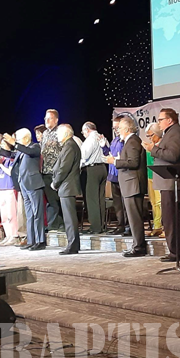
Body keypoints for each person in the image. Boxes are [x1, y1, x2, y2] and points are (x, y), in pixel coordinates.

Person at [142, 108, 180, 262]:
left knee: (172, 219)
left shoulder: (175, 133)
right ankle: (176, 251)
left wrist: (153, 149)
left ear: (169, 120)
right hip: (169, 182)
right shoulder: (171, 133)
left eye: (160, 119)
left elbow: (172, 155)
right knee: (171, 219)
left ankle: (176, 252)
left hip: (172, 183)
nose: (159, 123)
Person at [106, 117, 148, 257]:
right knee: (133, 218)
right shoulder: (129, 142)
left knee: (135, 218)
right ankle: (137, 245)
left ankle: (139, 247)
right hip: (130, 184)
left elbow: (133, 162)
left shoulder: (133, 141)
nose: (118, 131)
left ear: (127, 129)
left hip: (133, 185)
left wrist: (115, 161)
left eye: (120, 128)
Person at [3, 129, 46, 250]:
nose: (16, 141)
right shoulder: (21, 150)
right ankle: (31, 240)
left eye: (18, 139)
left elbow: (30, 152)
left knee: (37, 213)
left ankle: (40, 241)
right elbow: (10, 155)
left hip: (33, 183)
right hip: (24, 185)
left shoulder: (34, 146)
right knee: (29, 214)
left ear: (26, 138)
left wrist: (14, 143)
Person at [52, 124, 82, 255]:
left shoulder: (70, 146)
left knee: (70, 218)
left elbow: (64, 168)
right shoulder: (68, 145)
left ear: (65, 134)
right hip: (66, 186)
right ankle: (72, 244)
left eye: (58, 133)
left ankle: (73, 245)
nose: (57, 136)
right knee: (68, 217)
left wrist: (55, 183)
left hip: (67, 186)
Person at [80, 122, 108, 234]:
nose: (83, 134)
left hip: (92, 169)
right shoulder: (102, 137)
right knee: (100, 198)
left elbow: (84, 155)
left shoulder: (90, 140)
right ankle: (101, 225)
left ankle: (95, 227)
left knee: (92, 199)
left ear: (87, 130)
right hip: (103, 168)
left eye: (83, 132)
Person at [41, 109, 64, 232]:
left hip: (55, 171)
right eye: (46, 118)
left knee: (56, 199)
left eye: (50, 118)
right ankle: (53, 224)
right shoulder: (45, 134)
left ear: (56, 120)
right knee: (50, 200)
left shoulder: (60, 132)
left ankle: (59, 224)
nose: (47, 120)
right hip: (45, 170)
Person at [108, 116, 129, 235]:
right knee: (117, 204)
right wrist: (103, 147)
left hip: (122, 173)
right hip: (113, 175)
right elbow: (110, 154)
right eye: (114, 128)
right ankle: (120, 225)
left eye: (117, 127)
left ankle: (127, 226)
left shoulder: (125, 140)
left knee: (125, 202)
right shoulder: (115, 140)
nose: (115, 130)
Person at [144, 123, 163, 237]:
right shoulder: (150, 146)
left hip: (159, 176)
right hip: (150, 176)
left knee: (160, 202)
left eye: (151, 135)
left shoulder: (162, 145)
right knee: (153, 202)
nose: (150, 138)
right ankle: (156, 226)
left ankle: (163, 226)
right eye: (148, 136)